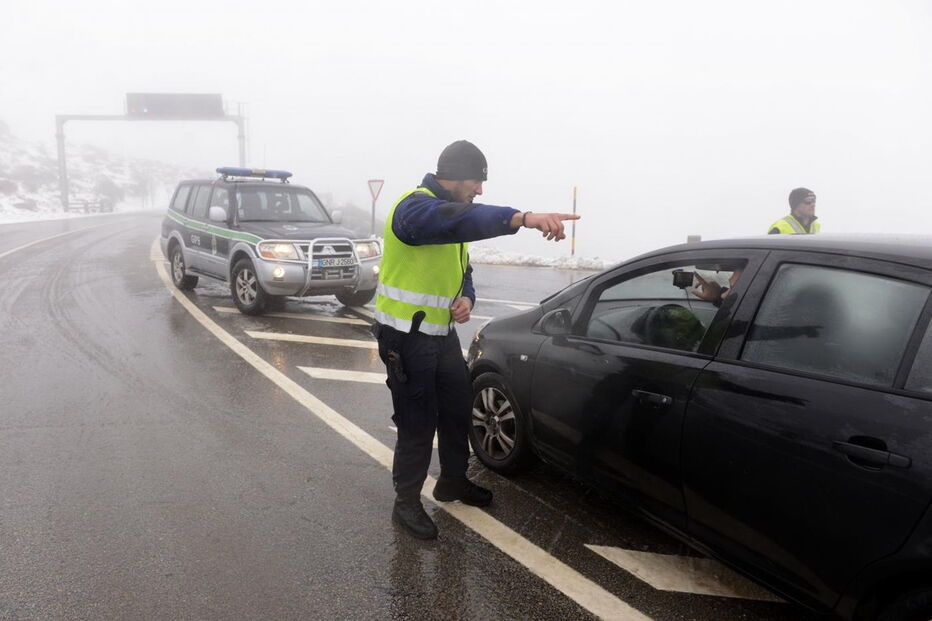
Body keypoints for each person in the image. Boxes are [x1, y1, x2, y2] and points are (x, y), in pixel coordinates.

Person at [374, 140, 579, 539]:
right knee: (417, 422)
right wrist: (521, 218)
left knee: (456, 410)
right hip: (405, 339)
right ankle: (406, 502)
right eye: (476, 182)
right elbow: (453, 220)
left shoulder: (450, 214)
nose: (480, 191)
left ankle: (452, 480)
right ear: (454, 176)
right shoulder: (414, 209)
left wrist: (467, 296)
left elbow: (462, 268)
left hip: (441, 336)